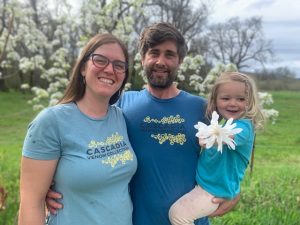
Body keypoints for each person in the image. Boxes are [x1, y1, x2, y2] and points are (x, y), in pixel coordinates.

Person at [46, 22, 240, 225]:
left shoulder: (203, 109)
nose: (160, 61)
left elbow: (233, 153)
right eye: (153, 53)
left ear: (180, 61)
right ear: (142, 59)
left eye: (169, 54)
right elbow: (79, 144)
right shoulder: (120, 107)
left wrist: (234, 190)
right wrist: (51, 185)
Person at [18, 33, 137, 225]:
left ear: (124, 75)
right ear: (83, 67)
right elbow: (31, 203)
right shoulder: (51, 122)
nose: (109, 69)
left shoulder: (120, 118)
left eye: (119, 65)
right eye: (100, 60)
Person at [168, 71, 264, 225]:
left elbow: (226, 136)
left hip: (213, 191)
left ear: (250, 102)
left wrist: (208, 136)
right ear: (216, 100)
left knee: (178, 214)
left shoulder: (244, 127)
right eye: (226, 98)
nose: (233, 103)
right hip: (207, 185)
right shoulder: (224, 124)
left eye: (241, 99)